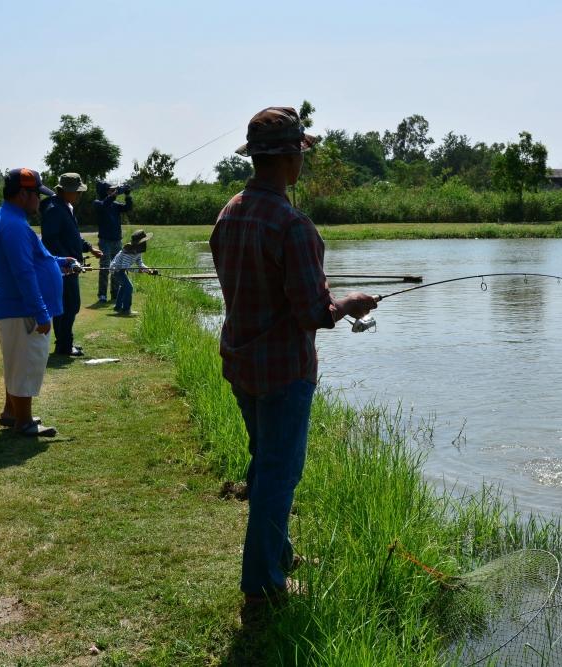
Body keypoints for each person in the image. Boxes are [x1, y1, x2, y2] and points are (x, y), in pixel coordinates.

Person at [210, 107, 377, 605]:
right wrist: (347, 304)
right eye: (301, 153)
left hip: (242, 361)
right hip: (283, 370)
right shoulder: (293, 225)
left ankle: (277, 555)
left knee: (265, 465)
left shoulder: (231, 211)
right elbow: (312, 314)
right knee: (279, 476)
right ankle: (263, 585)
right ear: (290, 159)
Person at [0, 168, 75, 437]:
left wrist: (60, 264)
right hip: (21, 309)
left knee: (16, 363)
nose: (40, 200)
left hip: (14, 307)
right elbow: (22, 273)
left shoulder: (11, 219)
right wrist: (41, 312)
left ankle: (12, 412)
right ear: (23, 194)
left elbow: (35, 261)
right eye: (37, 194)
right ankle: (23, 422)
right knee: (25, 364)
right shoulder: (13, 226)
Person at [40, 173, 103, 356]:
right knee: (69, 306)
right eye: (76, 192)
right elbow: (50, 241)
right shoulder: (54, 209)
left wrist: (90, 248)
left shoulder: (64, 207)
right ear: (65, 191)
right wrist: (68, 261)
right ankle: (65, 346)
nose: (79, 195)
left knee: (67, 307)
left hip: (69, 267)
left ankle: (64, 344)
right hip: (63, 269)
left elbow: (72, 236)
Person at [93, 181, 133, 304]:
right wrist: (114, 195)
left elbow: (128, 207)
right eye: (111, 190)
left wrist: (127, 195)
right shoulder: (98, 203)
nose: (114, 191)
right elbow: (105, 204)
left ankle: (115, 293)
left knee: (117, 268)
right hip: (105, 241)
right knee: (105, 267)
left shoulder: (115, 204)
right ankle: (102, 295)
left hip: (117, 241)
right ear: (105, 191)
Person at [109, 229, 158, 315]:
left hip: (121, 269)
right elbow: (126, 267)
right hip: (116, 269)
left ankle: (118, 307)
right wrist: (139, 271)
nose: (145, 243)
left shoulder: (138, 250)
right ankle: (126, 310)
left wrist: (149, 270)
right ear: (139, 243)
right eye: (144, 241)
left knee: (124, 286)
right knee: (129, 287)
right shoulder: (129, 251)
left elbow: (140, 263)